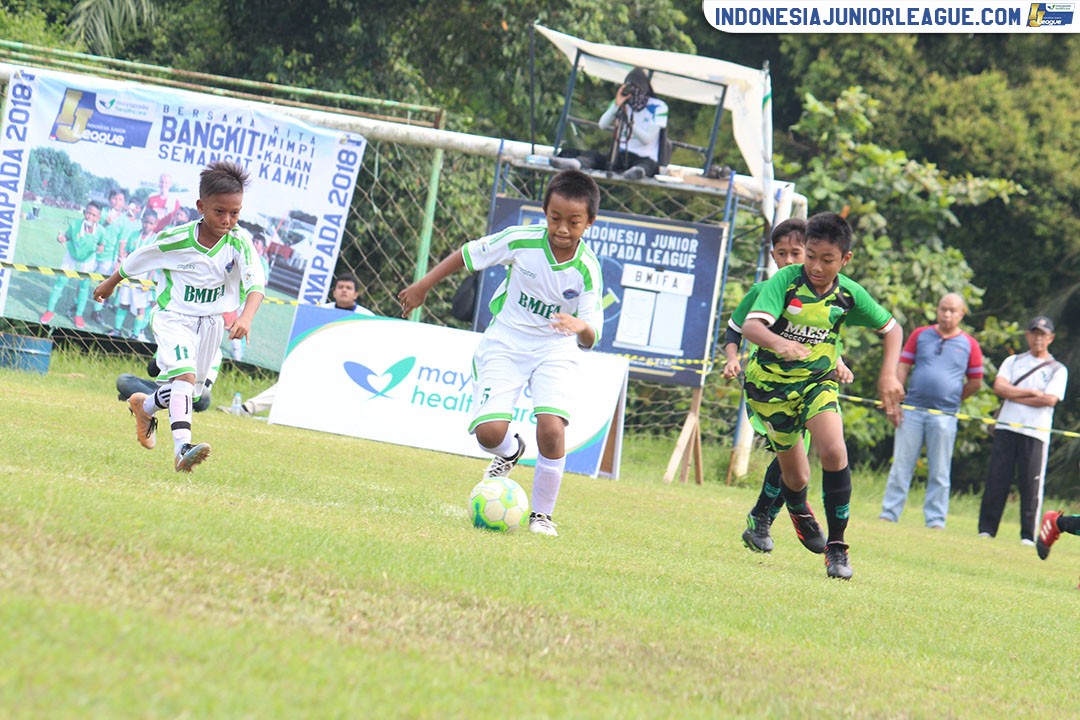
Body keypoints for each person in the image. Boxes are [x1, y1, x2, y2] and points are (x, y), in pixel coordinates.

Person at [398, 169, 605, 537]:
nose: (562, 229)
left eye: (573, 222)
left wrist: (580, 327)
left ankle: (542, 516)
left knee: (552, 428)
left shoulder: (587, 269)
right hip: (506, 343)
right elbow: (466, 254)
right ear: (544, 212)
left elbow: (591, 336)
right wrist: (423, 286)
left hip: (555, 350)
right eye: (555, 218)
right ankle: (509, 452)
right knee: (489, 433)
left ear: (589, 222)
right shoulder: (521, 241)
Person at [741, 211, 904, 579]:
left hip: (817, 382)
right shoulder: (784, 281)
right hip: (771, 389)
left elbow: (892, 329)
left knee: (833, 449)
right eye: (811, 256)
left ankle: (837, 548)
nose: (815, 266)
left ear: (845, 260)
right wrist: (780, 344)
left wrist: (888, 374)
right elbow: (752, 326)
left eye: (827, 260)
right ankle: (793, 508)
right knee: (795, 477)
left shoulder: (848, 293)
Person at [93, 161, 265, 473]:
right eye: (219, 212)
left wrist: (247, 317)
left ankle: (144, 406)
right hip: (174, 318)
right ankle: (182, 448)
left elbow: (256, 284)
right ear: (201, 206)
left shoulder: (239, 242)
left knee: (192, 392)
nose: (228, 220)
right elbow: (140, 258)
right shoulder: (177, 238)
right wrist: (110, 282)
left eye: (235, 212)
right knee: (184, 377)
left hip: (211, 323)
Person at [727, 219, 854, 554]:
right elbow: (736, 326)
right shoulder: (770, 288)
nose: (790, 261)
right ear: (773, 256)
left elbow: (828, 335)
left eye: (796, 253)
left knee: (794, 459)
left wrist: (838, 362)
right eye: (782, 254)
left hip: (810, 384)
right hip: (771, 388)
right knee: (790, 459)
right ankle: (783, 515)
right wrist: (732, 358)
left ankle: (763, 518)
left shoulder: (824, 290)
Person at [879, 293, 984, 528]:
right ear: (937, 310)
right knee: (901, 466)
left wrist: (954, 398)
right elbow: (903, 366)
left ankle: (935, 520)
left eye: (952, 310)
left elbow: (976, 381)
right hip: (912, 410)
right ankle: (889, 513)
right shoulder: (920, 335)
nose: (946, 314)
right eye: (943, 309)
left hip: (945, 415)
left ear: (961, 314)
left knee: (939, 470)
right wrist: (895, 399)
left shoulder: (970, 344)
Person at [221, 272, 373, 416]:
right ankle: (246, 409)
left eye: (348, 288)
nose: (344, 291)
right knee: (292, 382)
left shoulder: (367, 317)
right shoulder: (321, 311)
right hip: (321, 364)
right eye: (340, 287)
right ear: (333, 292)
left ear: (355, 294)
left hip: (352, 368)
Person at [977, 316, 1067, 543]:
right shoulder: (1013, 361)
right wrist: (1033, 393)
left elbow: (1049, 400)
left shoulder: (1057, 369)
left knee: (1031, 484)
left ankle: (1027, 535)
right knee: (997, 479)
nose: (1038, 339)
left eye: (1043, 335)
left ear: (1051, 338)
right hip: (1007, 428)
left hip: (1035, 432)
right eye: (1034, 333)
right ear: (1027, 335)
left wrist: (1018, 395)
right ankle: (986, 530)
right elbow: (999, 387)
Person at [552, 67, 669, 180]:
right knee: (595, 156)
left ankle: (637, 172)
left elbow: (647, 139)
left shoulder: (658, 107)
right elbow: (602, 125)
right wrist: (617, 105)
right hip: (621, 155)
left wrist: (629, 122)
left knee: (647, 165)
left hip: (645, 157)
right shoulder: (622, 103)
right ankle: (577, 163)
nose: (633, 93)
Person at [40, 200, 103, 329]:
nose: (90, 217)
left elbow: (102, 244)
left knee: (84, 286)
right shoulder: (75, 225)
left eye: (94, 215)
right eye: (88, 213)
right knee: (60, 282)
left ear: (98, 217)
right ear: (84, 212)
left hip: (88, 259)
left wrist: (101, 248)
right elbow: (66, 237)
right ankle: (49, 311)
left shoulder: (101, 231)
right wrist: (61, 238)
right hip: (72, 254)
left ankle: (78, 315)